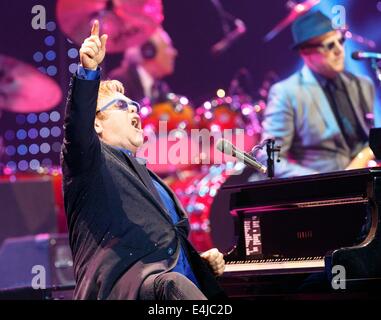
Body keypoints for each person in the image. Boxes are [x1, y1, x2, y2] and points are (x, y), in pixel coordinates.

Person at [61, 20, 226, 300]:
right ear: (96, 123)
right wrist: (88, 73)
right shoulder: (88, 162)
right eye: (122, 106)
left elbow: (160, 247)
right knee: (174, 285)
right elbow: (77, 125)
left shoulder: (146, 176)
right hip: (124, 292)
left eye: (135, 105)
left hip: (165, 288)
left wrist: (198, 264)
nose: (134, 110)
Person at [258, 11, 376, 178]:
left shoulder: (362, 84)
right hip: (326, 193)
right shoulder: (286, 93)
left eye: (340, 41)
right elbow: (268, 159)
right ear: (305, 52)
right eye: (329, 45)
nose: (339, 50)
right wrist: (319, 181)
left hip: (368, 182)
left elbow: (369, 138)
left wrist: (365, 155)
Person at [108, 26, 177, 103]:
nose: (174, 53)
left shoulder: (161, 88)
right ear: (149, 51)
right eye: (169, 47)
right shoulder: (120, 80)